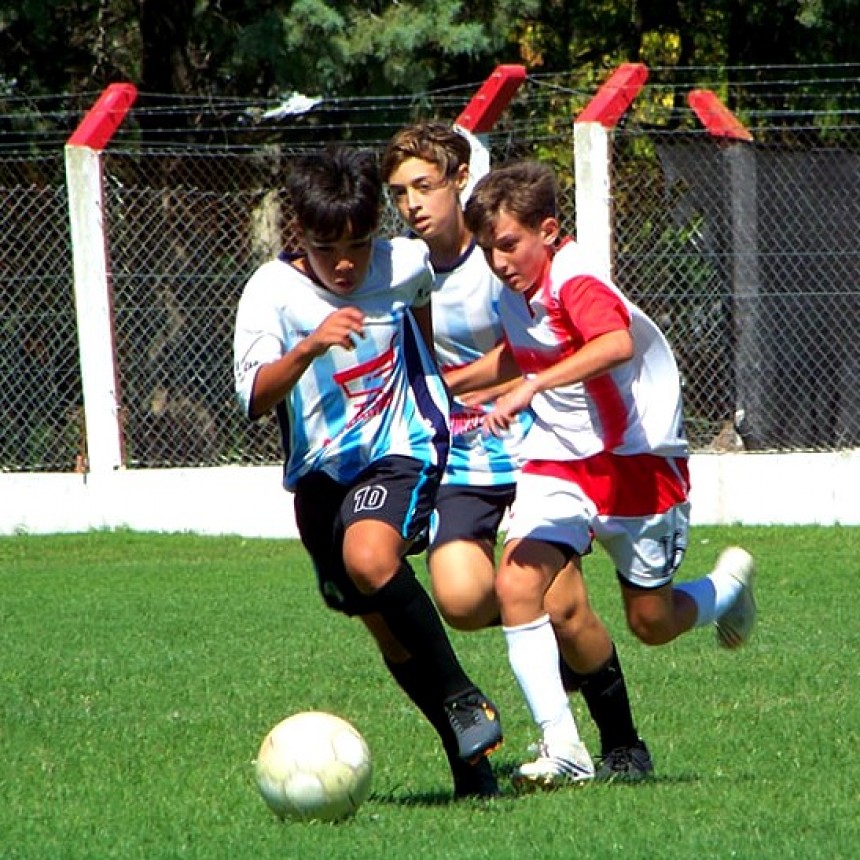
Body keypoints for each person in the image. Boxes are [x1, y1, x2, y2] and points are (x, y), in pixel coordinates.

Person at [446, 159, 756, 789]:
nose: (499, 260)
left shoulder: (577, 279)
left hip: (637, 467)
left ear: (549, 231)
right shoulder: (513, 291)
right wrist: (447, 387)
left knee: (651, 622)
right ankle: (564, 747)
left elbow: (610, 343)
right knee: (517, 585)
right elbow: (523, 347)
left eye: (509, 244)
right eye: (487, 249)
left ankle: (724, 590)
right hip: (559, 462)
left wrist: (529, 386)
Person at [380, 122, 652, 786]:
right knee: (463, 597)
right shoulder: (402, 267)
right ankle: (535, 634)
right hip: (466, 457)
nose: (412, 203)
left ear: (458, 181)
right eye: (399, 192)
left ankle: (622, 743)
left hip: (539, 447)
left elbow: (545, 348)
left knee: (565, 609)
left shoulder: (505, 252)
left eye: (425, 185)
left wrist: (506, 387)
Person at [233, 146, 502, 800]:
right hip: (321, 479)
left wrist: (433, 396)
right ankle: (471, 768)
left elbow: (420, 324)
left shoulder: (405, 262)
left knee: (370, 555)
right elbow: (256, 398)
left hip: (403, 446)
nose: (348, 262)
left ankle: (466, 698)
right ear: (300, 232)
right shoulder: (271, 293)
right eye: (330, 248)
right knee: (386, 629)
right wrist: (308, 347)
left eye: (360, 242)